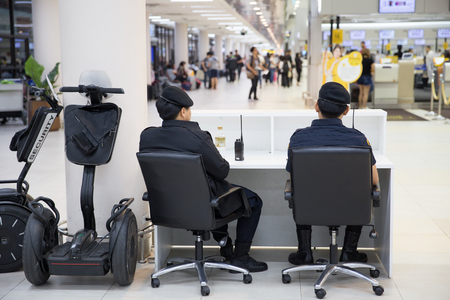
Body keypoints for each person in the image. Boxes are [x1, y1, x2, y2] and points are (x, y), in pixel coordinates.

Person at [139, 86, 268, 273]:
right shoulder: (197, 138)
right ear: (183, 111)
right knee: (252, 200)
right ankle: (240, 257)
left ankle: (225, 245)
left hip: (166, 207)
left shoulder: (147, 137)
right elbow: (222, 170)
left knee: (212, 195)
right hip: (201, 207)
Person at [285, 82, 379, 266]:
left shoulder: (298, 138)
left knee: (302, 190)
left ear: (316, 106)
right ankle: (349, 252)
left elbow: (293, 180)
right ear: (346, 111)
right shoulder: (359, 139)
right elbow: (373, 180)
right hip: (350, 208)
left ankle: (304, 252)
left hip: (310, 208)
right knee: (360, 190)